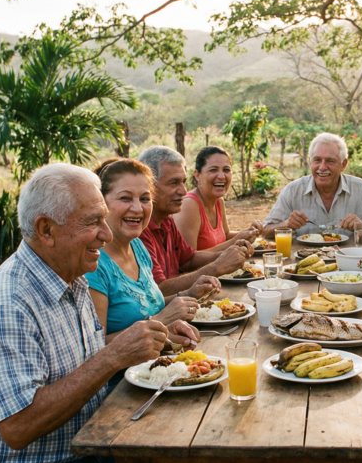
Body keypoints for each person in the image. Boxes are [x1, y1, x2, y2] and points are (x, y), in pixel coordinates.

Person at [0, 163, 215, 463]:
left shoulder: (72, 276)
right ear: (46, 229)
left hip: (85, 449)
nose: (106, 234)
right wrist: (113, 356)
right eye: (93, 222)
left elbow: (85, 366)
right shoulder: (5, 304)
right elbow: (17, 427)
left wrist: (156, 338)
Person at [86, 158, 219, 347]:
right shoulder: (93, 265)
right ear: (101, 203)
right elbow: (95, 349)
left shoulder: (138, 247)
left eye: (145, 199)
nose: (138, 208)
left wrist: (187, 294)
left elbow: (146, 304)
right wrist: (160, 320)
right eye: (125, 198)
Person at [137, 146, 252, 296]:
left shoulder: (166, 220)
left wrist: (229, 254)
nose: (183, 191)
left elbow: (189, 259)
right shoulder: (139, 229)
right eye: (174, 183)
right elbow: (159, 290)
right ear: (149, 185)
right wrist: (216, 267)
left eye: (183, 182)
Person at [262, 132, 362, 239]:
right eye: (317, 160)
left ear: (343, 164)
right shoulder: (292, 191)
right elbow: (265, 231)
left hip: (351, 262)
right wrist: (286, 224)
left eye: (330, 161)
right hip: (303, 264)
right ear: (310, 162)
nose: (322, 167)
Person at [174, 146, 263, 251]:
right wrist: (236, 240)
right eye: (213, 170)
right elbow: (188, 261)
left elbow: (225, 235)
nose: (221, 176)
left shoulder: (218, 201)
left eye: (226, 170)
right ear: (197, 175)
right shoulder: (189, 205)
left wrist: (249, 232)